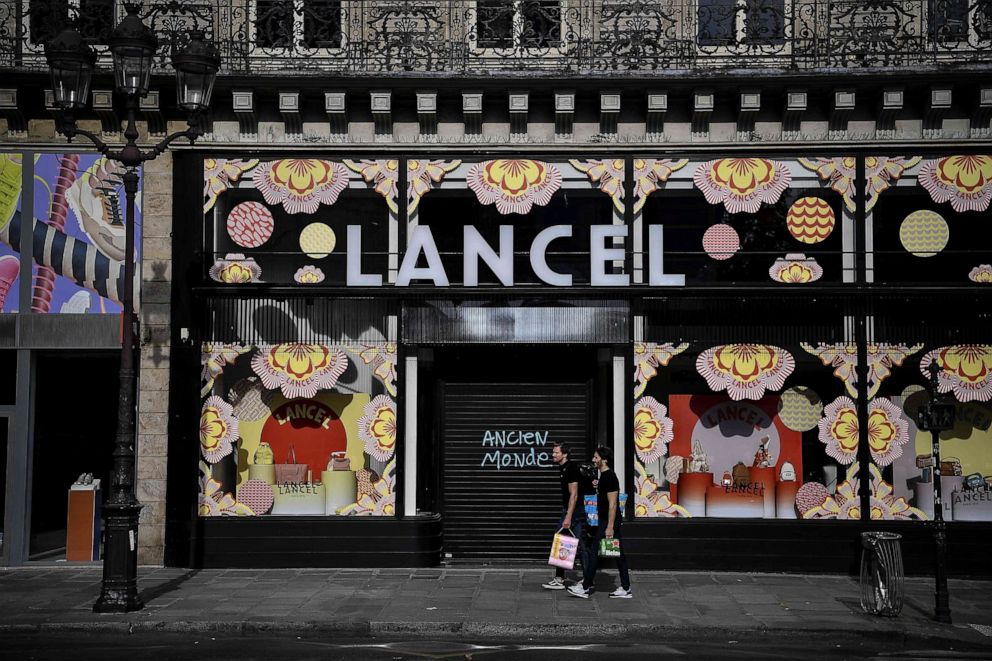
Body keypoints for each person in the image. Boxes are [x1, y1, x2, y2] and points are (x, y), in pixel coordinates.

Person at [568, 445, 632, 599]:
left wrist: (609, 527)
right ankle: (625, 587)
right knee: (618, 555)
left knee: (595, 552)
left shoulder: (610, 477)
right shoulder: (604, 477)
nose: (593, 460)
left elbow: (613, 504)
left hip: (609, 521)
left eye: (596, 457)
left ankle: (586, 586)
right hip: (606, 520)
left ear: (604, 460)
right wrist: (599, 486)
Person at [541, 442, 590, 590]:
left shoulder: (571, 469)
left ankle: (587, 578)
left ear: (565, 454)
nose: (553, 455)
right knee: (563, 541)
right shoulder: (564, 468)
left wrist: (568, 516)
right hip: (570, 511)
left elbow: (574, 495)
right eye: (553, 452)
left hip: (574, 512)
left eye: (556, 452)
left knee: (580, 545)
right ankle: (560, 578)